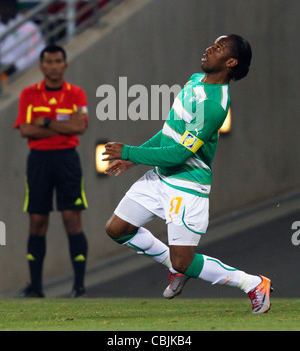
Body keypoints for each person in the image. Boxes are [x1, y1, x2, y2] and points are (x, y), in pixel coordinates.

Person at [103, 34, 274, 314]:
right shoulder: (195, 80)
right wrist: (136, 159)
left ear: (231, 62)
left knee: (184, 261)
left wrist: (130, 152)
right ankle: (176, 268)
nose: (209, 48)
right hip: (160, 176)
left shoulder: (214, 106)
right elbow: (169, 130)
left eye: (218, 48)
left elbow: (181, 154)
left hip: (187, 185)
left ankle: (253, 284)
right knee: (117, 229)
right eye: (212, 44)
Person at [14, 44, 89, 298]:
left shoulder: (76, 93)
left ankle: (79, 286)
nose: (54, 66)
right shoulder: (28, 94)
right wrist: (62, 125)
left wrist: (45, 122)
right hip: (39, 161)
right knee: (37, 221)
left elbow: (80, 127)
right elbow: (25, 130)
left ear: (65, 65)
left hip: (67, 160)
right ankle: (36, 288)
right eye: (49, 61)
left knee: (72, 219)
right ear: (42, 65)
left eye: (58, 61)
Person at [0, 0, 45, 80]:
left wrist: (17, 66)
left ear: (15, 7)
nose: (5, 9)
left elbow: (38, 52)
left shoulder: (29, 27)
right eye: (2, 6)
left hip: (21, 73)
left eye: (8, 6)